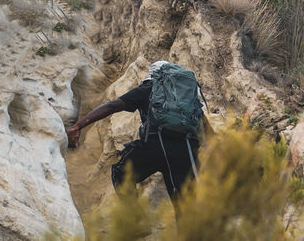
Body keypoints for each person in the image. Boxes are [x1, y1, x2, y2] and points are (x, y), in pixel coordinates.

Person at [66, 61, 211, 211]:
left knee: (122, 173)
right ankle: (192, 234)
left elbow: (113, 106)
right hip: (186, 150)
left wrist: (78, 125)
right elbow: (203, 126)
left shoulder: (148, 88)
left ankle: (136, 217)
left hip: (156, 145)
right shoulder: (189, 97)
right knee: (186, 206)